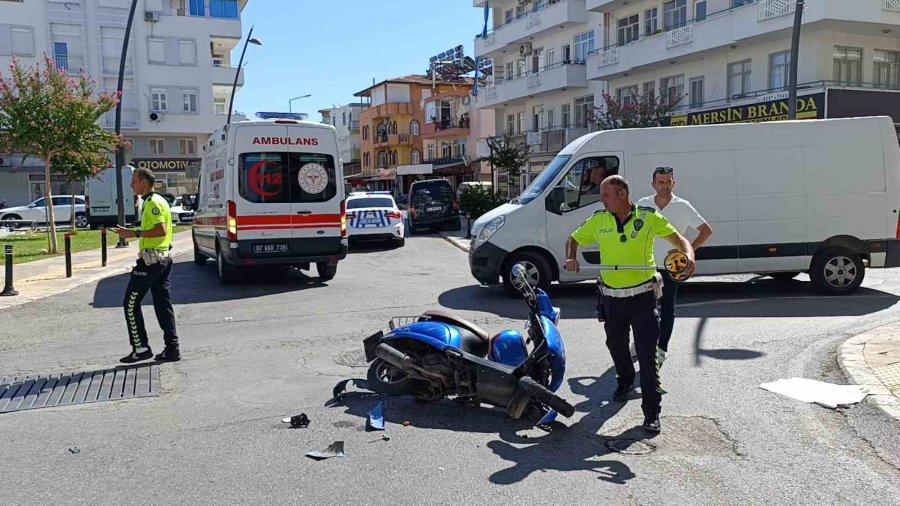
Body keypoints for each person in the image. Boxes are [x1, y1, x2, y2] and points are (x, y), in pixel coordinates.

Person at [565, 175, 694, 433]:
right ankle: (624, 381)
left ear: (622, 194)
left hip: (643, 297)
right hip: (612, 298)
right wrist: (571, 258)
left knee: (647, 357)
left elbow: (680, 240)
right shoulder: (599, 220)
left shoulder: (648, 217)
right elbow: (574, 239)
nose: (602, 200)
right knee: (616, 346)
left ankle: (652, 412)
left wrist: (688, 256)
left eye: (606, 195)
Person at [636, 167, 713, 377]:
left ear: (674, 183)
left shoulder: (682, 206)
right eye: (661, 182)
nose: (665, 185)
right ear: (653, 184)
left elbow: (706, 231)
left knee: (667, 308)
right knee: (644, 309)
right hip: (647, 266)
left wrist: (687, 254)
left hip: (672, 267)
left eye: (668, 181)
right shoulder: (643, 205)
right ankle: (643, 342)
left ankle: (662, 349)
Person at [114, 167, 180, 364]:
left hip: (151, 261)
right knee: (162, 304)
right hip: (161, 259)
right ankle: (172, 349)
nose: (131, 185)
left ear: (144, 181)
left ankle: (141, 348)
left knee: (131, 302)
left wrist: (133, 234)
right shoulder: (157, 201)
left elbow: (160, 229)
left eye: (134, 181)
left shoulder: (152, 202)